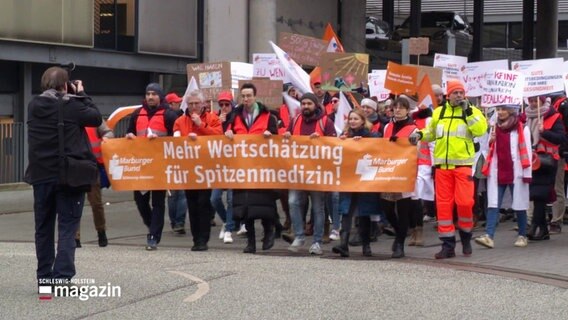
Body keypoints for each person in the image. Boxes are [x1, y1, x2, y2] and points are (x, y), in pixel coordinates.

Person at [26, 66, 102, 287]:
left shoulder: (34, 105)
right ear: (65, 85)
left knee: (43, 228)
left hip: (41, 175)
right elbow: (96, 118)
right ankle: (61, 279)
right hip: (69, 176)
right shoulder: (74, 106)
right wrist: (81, 93)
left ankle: (44, 278)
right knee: (68, 227)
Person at [409, 80, 488, 259]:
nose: (459, 95)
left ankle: (466, 237)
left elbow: (480, 130)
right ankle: (448, 245)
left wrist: (468, 112)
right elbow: (431, 133)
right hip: (442, 168)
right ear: (448, 95)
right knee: (443, 207)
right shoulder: (439, 112)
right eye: (455, 92)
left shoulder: (473, 111)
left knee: (465, 203)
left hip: (463, 167)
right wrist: (419, 134)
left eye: (461, 92)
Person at [225, 83, 279, 253]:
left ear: (255, 96)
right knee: (244, 206)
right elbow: (227, 132)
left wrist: (271, 135)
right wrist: (228, 133)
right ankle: (251, 242)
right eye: (243, 96)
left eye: (249, 95)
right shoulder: (235, 115)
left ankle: (269, 231)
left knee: (264, 204)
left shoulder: (268, 115)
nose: (246, 99)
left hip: (262, 167)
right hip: (242, 166)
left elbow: (277, 139)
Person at [126, 83, 178, 250]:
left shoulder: (169, 115)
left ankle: (154, 236)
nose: (150, 97)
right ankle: (152, 226)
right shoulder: (136, 114)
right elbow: (130, 133)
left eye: (154, 94)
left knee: (158, 202)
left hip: (160, 164)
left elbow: (175, 138)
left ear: (160, 97)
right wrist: (129, 136)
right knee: (140, 200)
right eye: (148, 94)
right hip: (141, 165)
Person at [283, 92, 336, 255]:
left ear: (316, 105)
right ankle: (299, 236)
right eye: (303, 103)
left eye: (309, 104)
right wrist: (286, 136)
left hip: (317, 173)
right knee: (292, 202)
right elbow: (286, 140)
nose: (305, 106)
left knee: (318, 208)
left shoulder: (326, 122)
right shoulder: (295, 120)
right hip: (297, 171)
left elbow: (335, 145)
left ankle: (317, 242)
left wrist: (321, 140)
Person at [474, 104, 532, 249]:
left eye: (503, 109)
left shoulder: (521, 128)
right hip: (498, 170)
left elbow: (527, 152)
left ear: (511, 110)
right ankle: (489, 236)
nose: (499, 112)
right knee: (493, 204)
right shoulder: (494, 128)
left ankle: (522, 235)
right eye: (498, 109)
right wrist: (491, 140)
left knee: (519, 205)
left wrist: (527, 174)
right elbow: (487, 150)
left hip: (515, 171)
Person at [173, 90, 222, 251]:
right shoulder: (180, 121)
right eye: (191, 103)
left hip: (207, 168)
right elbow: (175, 140)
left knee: (203, 202)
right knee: (192, 204)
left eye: (196, 103)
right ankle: (196, 239)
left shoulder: (213, 118)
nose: (193, 106)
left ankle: (204, 238)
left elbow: (219, 137)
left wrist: (202, 126)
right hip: (188, 169)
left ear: (203, 104)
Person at [332, 109, 380, 257]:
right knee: (346, 211)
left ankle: (366, 246)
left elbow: (378, 148)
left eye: (356, 119)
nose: (352, 121)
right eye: (350, 119)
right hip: (348, 179)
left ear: (362, 121)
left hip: (364, 179)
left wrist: (364, 143)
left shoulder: (372, 135)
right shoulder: (345, 137)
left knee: (364, 212)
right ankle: (344, 245)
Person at [381, 98, 418, 258]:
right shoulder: (388, 127)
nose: (397, 110)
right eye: (395, 107)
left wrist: (402, 144)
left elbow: (416, 148)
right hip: (389, 172)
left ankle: (400, 244)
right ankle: (398, 233)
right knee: (387, 208)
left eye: (401, 108)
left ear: (407, 110)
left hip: (404, 172)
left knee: (403, 210)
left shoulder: (414, 128)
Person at [525, 96, 565, 241]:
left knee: (540, 193)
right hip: (531, 161)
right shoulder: (526, 117)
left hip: (547, 161)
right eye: (531, 101)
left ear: (542, 101)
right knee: (536, 194)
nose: (534, 104)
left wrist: (544, 132)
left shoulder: (554, 117)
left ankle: (536, 226)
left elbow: (561, 138)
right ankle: (542, 229)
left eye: (536, 101)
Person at [75, 120, 114, 248]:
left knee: (96, 203)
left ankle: (101, 231)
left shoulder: (93, 117)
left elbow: (108, 132)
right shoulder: (68, 115)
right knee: (75, 203)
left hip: (93, 166)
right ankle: (75, 237)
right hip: (74, 166)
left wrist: (106, 138)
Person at [210, 91, 236, 244]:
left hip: (233, 164)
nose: (224, 107)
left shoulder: (237, 118)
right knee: (214, 198)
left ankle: (228, 229)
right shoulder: (214, 118)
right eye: (221, 105)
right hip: (219, 165)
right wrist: (218, 124)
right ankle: (227, 220)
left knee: (231, 199)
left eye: (227, 104)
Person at [165, 92, 188, 235]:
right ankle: (177, 221)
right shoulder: (175, 118)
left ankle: (177, 221)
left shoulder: (178, 117)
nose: (179, 104)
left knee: (175, 193)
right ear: (170, 104)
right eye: (176, 102)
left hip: (174, 156)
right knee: (178, 193)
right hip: (174, 156)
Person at [549, 93, 568, 234]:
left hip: (558, 152)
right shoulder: (554, 107)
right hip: (552, 153)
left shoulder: (562, 106)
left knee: (558, 187)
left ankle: (556, 220)